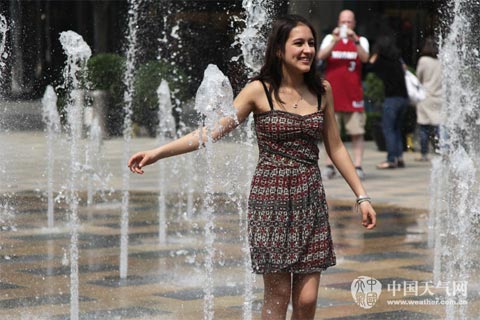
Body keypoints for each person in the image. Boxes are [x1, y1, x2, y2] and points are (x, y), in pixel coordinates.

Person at [128, 15, 376, 320]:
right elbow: (211, 131)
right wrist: (157, 153)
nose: (308, 50)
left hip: (310, 198)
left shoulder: (322, 90)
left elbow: (336, 147)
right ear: (279, 50)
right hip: (270, 201)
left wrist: (361, 196)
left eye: (311, 43)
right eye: (298, 43)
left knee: (308, 299)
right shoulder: (259, 90)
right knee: (279, 294)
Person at [317, 9, 369, 180]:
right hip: (332, 95)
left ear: (354, 24)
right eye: (343, 22)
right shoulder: (330, 39)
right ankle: (329, 165)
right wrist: (335, 39)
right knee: (330, 132)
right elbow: (320, 56)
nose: (346, 25)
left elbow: (365, 58)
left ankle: (358, 165)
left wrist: (355, 41)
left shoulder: (361, 41)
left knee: (357, 132)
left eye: (349, 22)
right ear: (338, 23)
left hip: (353, 95)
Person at [367, 35, 409, 169]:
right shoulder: (397, 59)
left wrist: (373, 56)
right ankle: (399, 157)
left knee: (388, 129)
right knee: (397, 129)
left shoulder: (381, 60)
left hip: (391, 99)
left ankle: (391, 159)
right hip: (404, 99)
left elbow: (368, 68)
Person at [415, 37, 442, 161]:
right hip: (440, 96)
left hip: (426, 97)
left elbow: (418, 77)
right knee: (438, 125)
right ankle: (440, 150)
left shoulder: (423, 60)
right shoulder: (441, 61)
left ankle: (424, 153)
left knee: (424, 126)